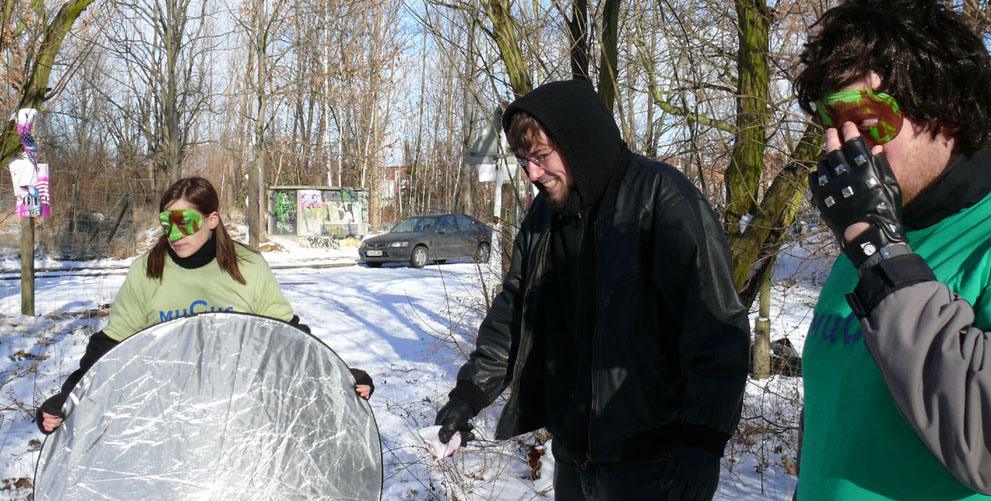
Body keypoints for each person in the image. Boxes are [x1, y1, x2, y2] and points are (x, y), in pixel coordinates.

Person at [432, 80, 750, 499]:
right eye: (525, 161)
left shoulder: (662, 200)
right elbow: (513, 314)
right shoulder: (543, 218)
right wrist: (469, 395)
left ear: (578, 141)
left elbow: (716, 330)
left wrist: (703, 441)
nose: (533, 174)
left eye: (542, 158)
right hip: (573, 460)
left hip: (654, 466)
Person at [795, 1, 991, 499]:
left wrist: (880, 251)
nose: (847, 146)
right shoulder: (868, 237)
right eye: (834, 121)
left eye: (869, 120)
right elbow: (836, 418)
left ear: (949, 113)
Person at [37, 177, 373, 435]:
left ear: (212, 219)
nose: (175, 233)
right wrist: (69, 396)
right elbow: (108, 346)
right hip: (167, 416)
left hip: (241, 412)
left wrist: (341, 375)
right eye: (167, 224)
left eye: (185, 222)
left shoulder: (249, 267)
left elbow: (290, 337)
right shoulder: (147, 271)